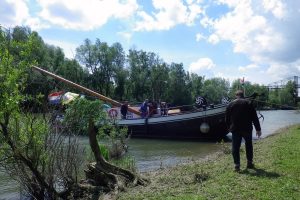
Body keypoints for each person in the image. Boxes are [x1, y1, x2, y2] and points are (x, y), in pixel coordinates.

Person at [225, 90, 262, 172]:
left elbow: (227, 119)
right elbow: (254, 117)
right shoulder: (248, 103)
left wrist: (229, 128)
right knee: (248, 145)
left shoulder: (230, 104)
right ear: (243, 95)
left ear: (236, 96)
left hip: (235, 129)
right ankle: (249, 163)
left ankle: (237, 166)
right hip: (247, 128)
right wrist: (258, 129)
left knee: (235, 147)